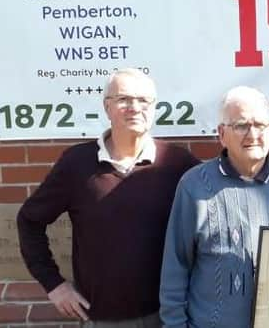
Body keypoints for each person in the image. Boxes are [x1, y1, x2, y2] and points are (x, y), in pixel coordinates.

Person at [16, 68, 200, 326]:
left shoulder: (178, 164)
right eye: (123, 99)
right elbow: (29, 221)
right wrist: (54, 285)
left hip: (169, 317)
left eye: (143, 100)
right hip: (102, 319)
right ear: (107, 107)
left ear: (154, 107)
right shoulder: (76, 164)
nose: (134, 107)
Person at [159, 86, 269, 328]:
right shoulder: (194, 185)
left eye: (260, 125)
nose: (252, 134)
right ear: (221, 134)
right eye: (240, 125)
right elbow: (176, 265)